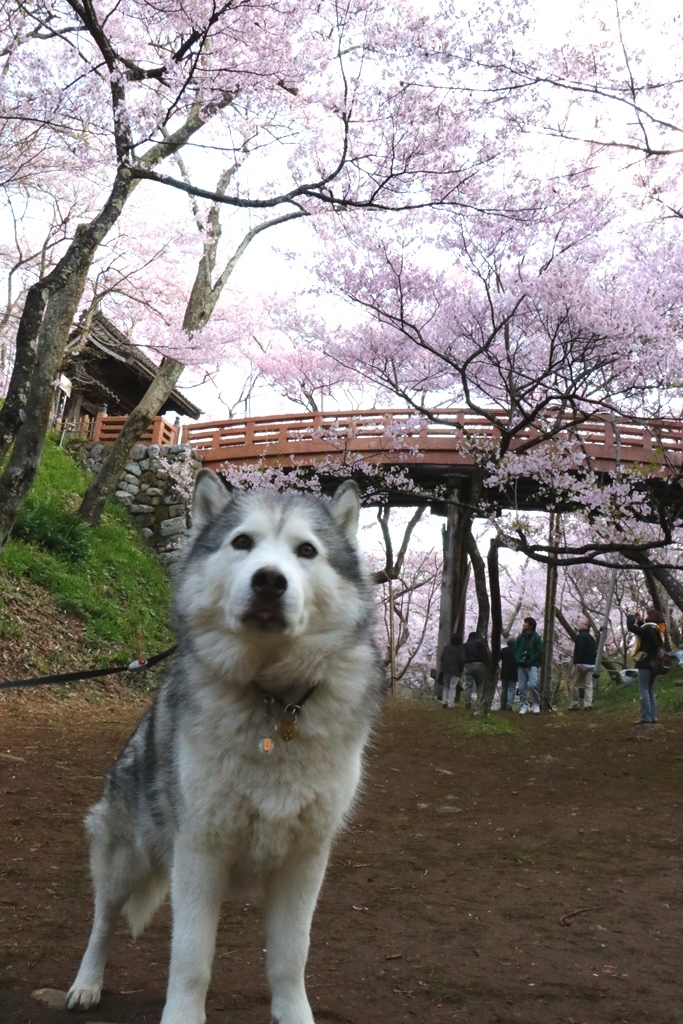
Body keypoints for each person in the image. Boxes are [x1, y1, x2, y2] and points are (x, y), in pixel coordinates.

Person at [626, 608, 667, 725]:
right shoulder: (657, 630)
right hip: (655, 664)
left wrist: (631, 616)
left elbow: (632, 628)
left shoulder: (648, 629)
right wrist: (639, 621)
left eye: (648, 615)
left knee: (643, 691)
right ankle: (653, 717)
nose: (646, 617)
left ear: (652, 618)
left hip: (645, 663)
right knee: (650, 691)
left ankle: (646, 718)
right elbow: (643, 629)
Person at [514, 616, 543, 714]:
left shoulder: (537, 638)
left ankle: (536, 703)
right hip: (521, 665)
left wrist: (530, 658)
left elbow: (539, 651)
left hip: (532, 664)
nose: (524, 624)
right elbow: (516, 649)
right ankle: (523, 705)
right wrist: (518, 658)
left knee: (532, 684)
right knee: (522, 687)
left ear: (530, 626)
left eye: (526, 623)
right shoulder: (520, 637)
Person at [569, 620, 598, 710]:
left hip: (582, 664)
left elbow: (580, 650)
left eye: (581, 623)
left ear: (585, 626)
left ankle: (575, 703)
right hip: (591, 665)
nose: (579, 624)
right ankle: (587, 704)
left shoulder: (580, 637)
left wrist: (578, 662)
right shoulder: (591, 638)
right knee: (588, 685)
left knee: (574, 684)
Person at [462, 631, 487, 713]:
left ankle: (467, 701)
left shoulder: (464, 645)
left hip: (467, 665)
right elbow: (484, 655)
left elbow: (462, 656)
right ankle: (479, 703)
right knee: (480, 685)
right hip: (478, 664)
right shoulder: (479, 644)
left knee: (468, 685)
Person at [439, 632, 465, 709]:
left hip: (445, 669)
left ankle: (444, 701)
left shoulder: (447, 647)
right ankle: (450, 703)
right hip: (455, 670)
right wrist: (461, 668)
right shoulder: (460, 649)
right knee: (452, 687)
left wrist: (442, 667)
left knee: (446, 686)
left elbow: (442, 658)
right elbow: (462, 659)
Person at [499, 636, 518, 710]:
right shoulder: (516, 651)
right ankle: (509, 705)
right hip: (513, 673)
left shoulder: (503, 650)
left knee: (504, 689)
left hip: (504, 672)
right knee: (511, 689)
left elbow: (498, 658)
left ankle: (503, 705)